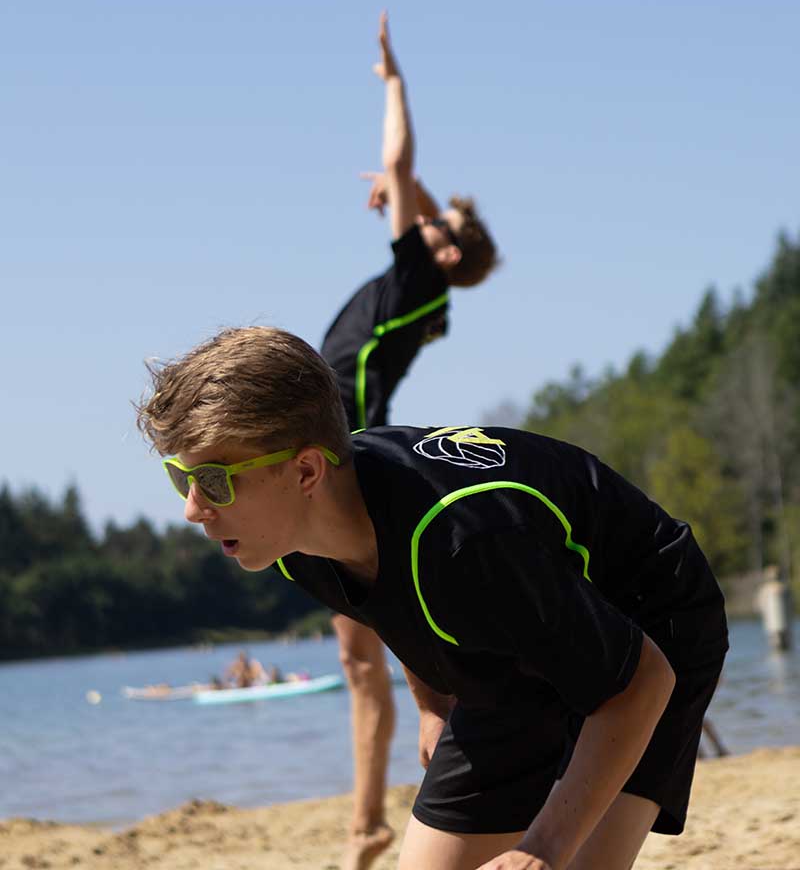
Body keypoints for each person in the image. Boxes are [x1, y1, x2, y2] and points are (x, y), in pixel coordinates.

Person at [139, 327, 729, 870]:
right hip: (509, 637)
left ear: (307, 471)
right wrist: (429, 702)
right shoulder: (296, 541)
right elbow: (389, 601)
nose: (193, 508)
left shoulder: (466, 542)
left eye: (214, 479)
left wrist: (542, 848)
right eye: (181, 477)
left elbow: (641, 682)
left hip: (646, 616)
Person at [319, 12, 498, 869]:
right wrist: (414, 198)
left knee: (390, 656)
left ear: (447, 247)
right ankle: (368, 828)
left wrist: (392, 83)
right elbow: (416, 190)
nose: (414, 212)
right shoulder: (424, 284)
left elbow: (402, 168)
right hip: (339, 446)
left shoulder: (426, 277)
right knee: (364, 663)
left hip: (343, 452)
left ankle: (432, 798)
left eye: (431, 219)